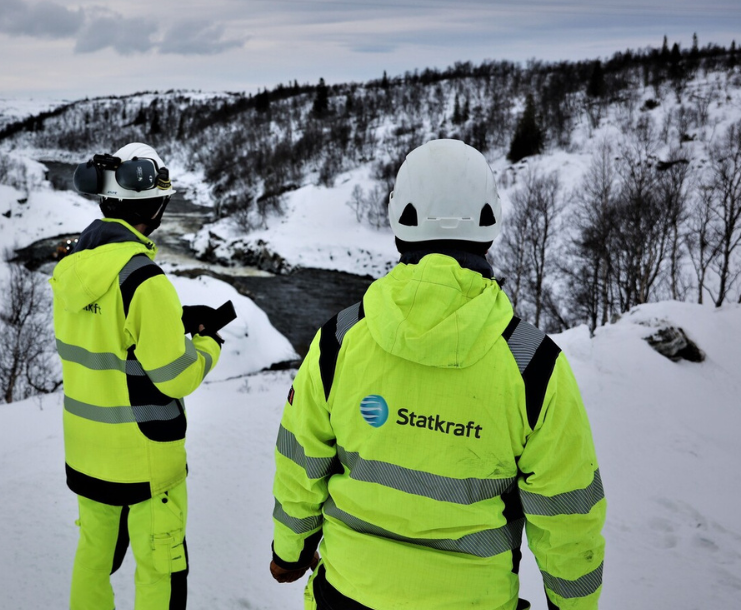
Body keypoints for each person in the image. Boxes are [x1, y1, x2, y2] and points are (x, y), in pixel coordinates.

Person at [269, 139, 605, 609]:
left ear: (399, 220)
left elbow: (300, 460)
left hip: (345, 593)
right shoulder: (534, 365)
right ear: (489, 221)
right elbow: (568, 513)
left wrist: (289, 551)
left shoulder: (340, 341)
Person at [51, 142, 226, 610]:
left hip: (87, 454)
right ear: (156, 206)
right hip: (146, 460)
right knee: (159, 568)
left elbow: (105, 341)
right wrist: (208, 344)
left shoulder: (69, 270)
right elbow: (175, 377)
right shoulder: (145, 280)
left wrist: (172, 319)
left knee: (93, 560)